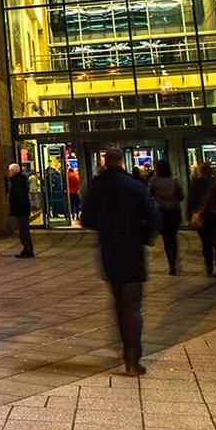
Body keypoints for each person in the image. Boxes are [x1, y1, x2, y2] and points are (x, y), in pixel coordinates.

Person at [79, 149, 159, 376]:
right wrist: (143, 237)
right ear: (122, 162)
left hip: (110, 252)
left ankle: (125, 348)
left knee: (118, 303)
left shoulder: (97, 187)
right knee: (132, 307)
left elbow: (87, 219)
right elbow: (153, 218)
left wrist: (106, 229)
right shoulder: (135, 186)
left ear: (105, 162)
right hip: (132, 252)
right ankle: (132, 358)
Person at [188, 163, 216, 279]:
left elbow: (191, 200)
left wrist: (190, 215)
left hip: (203, 216)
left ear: (200, 171)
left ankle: (209, 266)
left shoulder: (196, 184)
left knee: (206, 242)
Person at [149, 160, 183, 276]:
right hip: (174, 211)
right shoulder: (174, 180)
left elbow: (149, 195)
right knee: (173, 236)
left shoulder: (154, 181)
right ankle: (175, 258)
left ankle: (171, 264)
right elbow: (181, 196)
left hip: (161, 212)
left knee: (166, 238)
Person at [5, 163, 35, 258]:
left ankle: (28, 250)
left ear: (13, 171)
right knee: (23, 229)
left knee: (23, 230)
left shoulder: (16, 181)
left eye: (10, 171)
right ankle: (27, 249)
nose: (9, 173)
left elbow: (17, 196)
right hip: (23, 209)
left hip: (20, 209)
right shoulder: (22, 180)